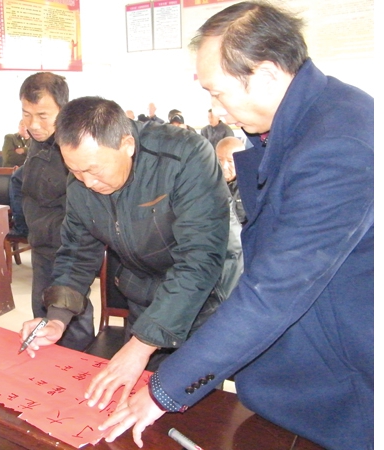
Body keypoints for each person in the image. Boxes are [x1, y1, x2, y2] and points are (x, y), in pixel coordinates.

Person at [99, 3, 373, 449]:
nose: (216, 109)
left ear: (266, 76)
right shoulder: (313, 113)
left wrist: (164, 390)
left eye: (218, 93)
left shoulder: (336, 145)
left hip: (340, 384)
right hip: (298, 364)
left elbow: (273, 291)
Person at [20, 97, 243, 409]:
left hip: (205, 300)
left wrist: (141, 345)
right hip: (144, 292)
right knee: (134, 395)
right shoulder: (83, 177)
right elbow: (76, 252)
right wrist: (56, 318)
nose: (87, 182)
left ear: (127, 145)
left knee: (191, 403)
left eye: (94, 170)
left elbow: (199, 260)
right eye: (75, 171)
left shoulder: (185, 156)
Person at [19, 72, 95, 351]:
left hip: (68, 253)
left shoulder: (74, 148)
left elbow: (82, 213)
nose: (33, 124)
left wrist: (58, 235)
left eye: (42, 115)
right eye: (26, 114)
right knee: (41, 321)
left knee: (72, 327)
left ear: (63, 111)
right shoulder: (37, 141)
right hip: (41, 248)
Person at [216, 136, 247, 225]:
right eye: (219, 160)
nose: (224, 166)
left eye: (230, 161)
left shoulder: (251, 186)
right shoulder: (206, 183)